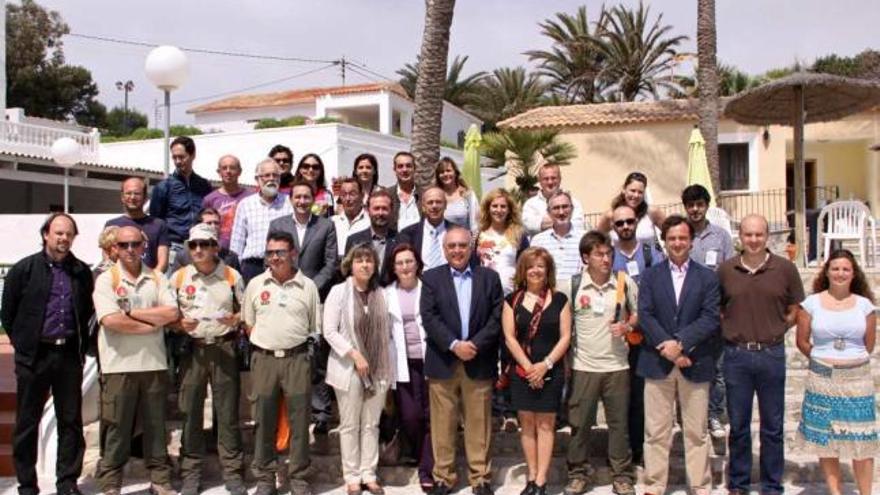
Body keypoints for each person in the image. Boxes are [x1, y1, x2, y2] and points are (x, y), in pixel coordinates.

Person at [1, 213, 95, 495]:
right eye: (58, 233)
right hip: (34, 357)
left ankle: (66, 481)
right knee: (28, 422)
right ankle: (27, 484)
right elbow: (8, 312)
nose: (63, 238)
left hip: (67, 356)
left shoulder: (80, 271)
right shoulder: (24, 269)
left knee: (70, 421)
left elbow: (86, 312)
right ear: (46, 234)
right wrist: (24, 346)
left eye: (69, 234)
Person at [717, 214, 805, 495]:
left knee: (773, 427)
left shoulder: (785, 269)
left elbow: (796, 308)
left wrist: (780, 328)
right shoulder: (725, 270)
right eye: (748, 235)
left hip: (771, 354)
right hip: (736, 356)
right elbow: (716, 309)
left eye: (759, 235)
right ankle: (739, 484)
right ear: (739, 237)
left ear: (767, 236)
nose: (753, 240)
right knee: (739, 426)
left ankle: (771, 485)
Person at [91, 226, 180, 495]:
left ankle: (160, 480)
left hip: (153, 364)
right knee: (116, 427)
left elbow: (172, 312)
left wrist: (132, 313)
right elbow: (110, 320)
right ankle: (110, 485)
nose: (130, 250)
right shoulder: (107, 280)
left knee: (155, 426)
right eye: (124, 245)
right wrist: (151, 324)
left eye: (135, 244)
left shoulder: (156, 277)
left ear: (144, 246)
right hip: (118, 366)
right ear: (115, 248)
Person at [637, 215, 720, 495]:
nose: (677, 243)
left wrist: (681, 343)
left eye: (682, 238)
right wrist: (667, 346)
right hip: (657, 363)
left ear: (691, 241)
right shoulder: (650, 276)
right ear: (665, 241)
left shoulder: (707, 277)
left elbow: (710, 318)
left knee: (696, 432)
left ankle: (699, 486)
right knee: (656, 432)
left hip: (695, 362)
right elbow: (645, 315)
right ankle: (654, 485)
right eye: (672, 238)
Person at [420, 226, 503, 495]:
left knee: (479, 423)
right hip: (443, 361)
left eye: (462, 245)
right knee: (442, 424)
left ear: (471, 248)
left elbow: (496, 316)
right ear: (444, 249)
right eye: (451, 246)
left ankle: (480, 478)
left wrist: (474, 345)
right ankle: (444, 476)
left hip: (478, 360)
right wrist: (455, 345)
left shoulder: (489, 278)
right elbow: (429, 317)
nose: (457, 250)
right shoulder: (431, 278)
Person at [169, 224, 247, 495]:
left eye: (204, 244)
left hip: (223, 348)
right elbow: (169, 315)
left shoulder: (230, 275)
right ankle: (190, 473)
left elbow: (246, 312)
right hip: (192, 350)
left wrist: (236, 319)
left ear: (216, 247)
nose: (198, 250)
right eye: (193, 245)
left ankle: (233, 472)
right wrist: (179, 325)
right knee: (190, 412)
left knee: (227, 414)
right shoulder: (179, 278)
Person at [243, 231, 321, 495]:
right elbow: (248, 323)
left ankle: (298, 478)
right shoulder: (255, 284)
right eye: (270, 252)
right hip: (264, 359)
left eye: (280, 252)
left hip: (297, 359)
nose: (274, 257)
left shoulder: (307, 286)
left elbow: (314, 326)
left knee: (300, 421)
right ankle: (265, 477)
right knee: (263, 420)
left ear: (293, 254)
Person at [795, 249, 878, 495]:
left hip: (857, 379)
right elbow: (802, 341)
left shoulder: (865, 306)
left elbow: (869, 345)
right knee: (827, 440)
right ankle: (835, 492)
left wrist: (847, 362)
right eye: (835, 268)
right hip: (822, 380)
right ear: (827, 271)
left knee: (862, 441)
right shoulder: (811, 304)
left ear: (853, 274)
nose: (840, 273)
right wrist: (824, 361)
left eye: (846, 269)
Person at [564, 232, 637, 495]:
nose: (606, 259)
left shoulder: (622, 282)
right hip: (584, 366)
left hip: (618, 366)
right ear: (586, 257)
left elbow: (638, 313)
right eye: (599, 254)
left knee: (618, 425)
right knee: (580, 424)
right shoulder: (573, 285)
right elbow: (564, 324)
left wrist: (627, 325)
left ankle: (621, 475)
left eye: (609, 254)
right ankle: (578, 473)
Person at [324, 244, 396, 495]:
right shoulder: (338, 292)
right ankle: (352, 476)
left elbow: (389, 334)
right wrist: (354, 354)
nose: (364, 264)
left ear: (375, 265)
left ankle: (369, 474)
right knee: (350, 425)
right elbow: (329, 330)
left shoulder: (383, 294)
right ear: (350, 264)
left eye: (369, 260)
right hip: (349, 368)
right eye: (359, 260)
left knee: (371, 425)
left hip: (378, 369)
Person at [268, 179, 338, 433]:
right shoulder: (278, 225)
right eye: (297, 197)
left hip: (315, 297)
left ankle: (321, 412)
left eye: (306, 197)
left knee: (316, 354)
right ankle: (291, 412)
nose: (301, 201)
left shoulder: (326, 226)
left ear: (313, 199)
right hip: (284, 296)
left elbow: (331, 264)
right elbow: (273, 258)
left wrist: (309, 287)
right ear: (291, 199)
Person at [502, 247, 571, 495]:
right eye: (531, 266)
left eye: (541, 266)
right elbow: (510, 337)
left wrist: (545, 365)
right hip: (522, 372)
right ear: (523, 270)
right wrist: (530, 367)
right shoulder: (512, 301)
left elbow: (565, 337)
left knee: (546, 425)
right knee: (527, 424)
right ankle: (530, 476)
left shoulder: (560, 299)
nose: (535, 270)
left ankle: (541, 480)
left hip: (551, 371)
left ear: (548, 270)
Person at [609, 203, 663, 463]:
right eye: (619, 223)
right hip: (620, 335)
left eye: (629, 221)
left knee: (646, 395)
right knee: (623, 396)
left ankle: (643, 449)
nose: (625, 227)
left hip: (649, 335)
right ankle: (625, 448)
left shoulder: (651, 253)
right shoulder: (608, 256)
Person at [681, 184, 735, 439]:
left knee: (717, 368)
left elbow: (730, 273)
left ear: (706, 205)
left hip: (715, 311)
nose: (695, 209)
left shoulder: (721, 236)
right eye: (690, 205)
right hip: (687, 313)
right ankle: (688, 416)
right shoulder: (680, 234)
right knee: (687, 366)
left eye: (699, 204)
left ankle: (714, 414)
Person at [383, 244, 434, 492]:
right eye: (399, 263)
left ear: (417, 264)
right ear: (393, 268)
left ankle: (427, 469)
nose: (405, 266)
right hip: (401, 364)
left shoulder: (430, 289)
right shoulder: (386, 294)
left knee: (431, 416)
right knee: (411, 416)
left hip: (430, 361)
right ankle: (414, 451)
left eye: (409, 261)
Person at [149, 136, 213, 263]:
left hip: (200, 247)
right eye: (174, 157)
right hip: (173, 249)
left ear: (193, 155)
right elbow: (156, 222)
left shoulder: (204, 185)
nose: (178, 161)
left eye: (182, 157)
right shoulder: (163, 187)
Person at [229, 159, 293, 282]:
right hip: (252, 267)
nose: (271, 179)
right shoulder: (245, 204)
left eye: (275, 175)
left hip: (282, 264)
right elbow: (237, 243)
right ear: (257, 179)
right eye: (266, 175)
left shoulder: (289, 203)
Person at [106, 177, 170, 272]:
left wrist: (152, 281)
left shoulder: (159, 225)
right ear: (122, 197)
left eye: (137, 193)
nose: (132, 197)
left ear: (145, 198)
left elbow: (163, 263)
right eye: (128, 193)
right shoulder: (111, 225)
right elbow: (107, 260)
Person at [476, 188, 529, 296]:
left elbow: (526, 264)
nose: (499, 210)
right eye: (494, 206)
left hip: (511, 294)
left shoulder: (519, 235)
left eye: (503, 206)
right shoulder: (478, 235)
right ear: (488, 208)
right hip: (484, 293)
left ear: (509, 209)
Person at [529, 191, 584, 284]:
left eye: (565, 206)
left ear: (572, 209)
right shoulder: (538, 241)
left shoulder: (584, 238)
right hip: (548, 294)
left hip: (576, 292)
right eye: (556, 208)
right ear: (549, 212)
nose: (561, 212)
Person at [202, 154, 254, 251]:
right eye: (224, 168)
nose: (228, 171)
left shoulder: (251, 197)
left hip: (244, 250)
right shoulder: (209, 199)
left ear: (239, 171)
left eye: (232, 168)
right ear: (219, 172)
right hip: (217, 251)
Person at [345, 189, 398, 281]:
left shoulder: (400, 239)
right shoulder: (354, 240)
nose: (380, 213)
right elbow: (348, 273)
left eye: (384, 208)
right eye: (376, 208)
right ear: (368, 210)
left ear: (392, 210)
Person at [598, 172, 666, 245]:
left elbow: (671, 233)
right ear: (624, 189)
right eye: (633, 191)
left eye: (640, 192)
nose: (636, 195)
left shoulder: (652, 212)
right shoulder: (610, 216)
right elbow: (595, 240)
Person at [168, 207, 242, 274]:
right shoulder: (183, 257)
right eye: (209, 223)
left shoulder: (231, 258)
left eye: (216, 223)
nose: (213, 226)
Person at [399, 187, 456, 271]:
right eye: (430, 202)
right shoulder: (408, 234)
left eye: (438, 202)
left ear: (445, 205)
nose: (434, 206)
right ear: (423, 207)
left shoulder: (457, 232)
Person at [522, 164, 585, 237]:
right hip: (540, 246)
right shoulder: (530, 204)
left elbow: (578, 225)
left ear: (560, 179)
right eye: (546, 179)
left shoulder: (574, 202)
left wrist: (541, 223)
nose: (550, 182)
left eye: (553, 178)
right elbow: (529, 227)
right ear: (539, 181)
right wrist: (563, 222)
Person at [435, 157, 478, 234]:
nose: (445, 174)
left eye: (448, 171)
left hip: (463, 242)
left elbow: (475, 224)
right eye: (441, 172)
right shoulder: (435, 196)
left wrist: (473, 243)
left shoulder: (467, 194)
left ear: (455, 172)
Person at [332, 177, 370, 257]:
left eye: (352, 194)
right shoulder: (332, 222)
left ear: (362, 196)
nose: (347, 199)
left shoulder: (370, 222)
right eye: (344, 195)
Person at [387, 151, 420, 230]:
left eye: (408, 166)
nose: (404, 170)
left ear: (414, 168)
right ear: (395, 170)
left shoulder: (425, 195)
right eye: (400, 166)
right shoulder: (387, 195)